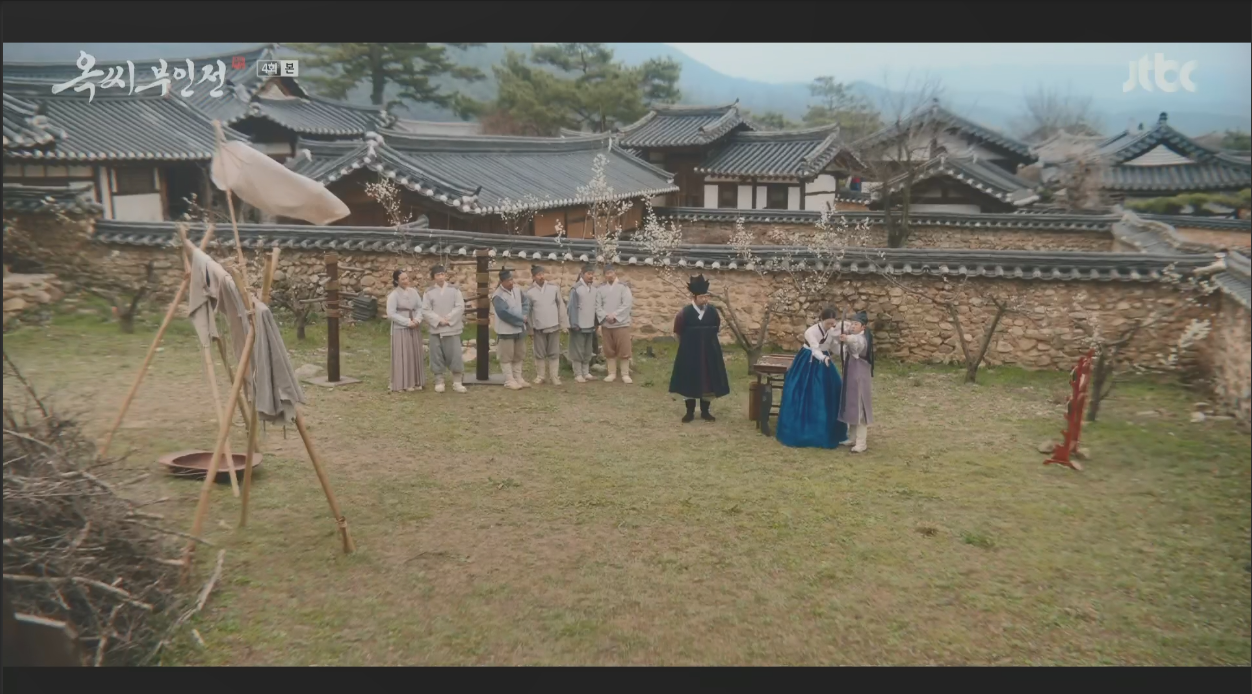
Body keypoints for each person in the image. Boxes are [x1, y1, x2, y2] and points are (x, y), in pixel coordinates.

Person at [775, 308, 849, 449]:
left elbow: (834, 347)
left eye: (833, 323)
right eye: (828, 323)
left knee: (833, 390)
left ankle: (833, 430)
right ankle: (803, 431)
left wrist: (846, 348)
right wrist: (823, 358)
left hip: (825, 361)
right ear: (822, 320)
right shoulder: (811, 332)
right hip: (808, 361)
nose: (831, 326)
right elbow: (815, 349)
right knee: (806, 392)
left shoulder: (832, 331)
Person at [669, 274, 731, 423]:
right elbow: (677, 332)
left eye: (706, 296)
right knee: (689, 380)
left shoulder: (712, 312)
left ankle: (705, 411)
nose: (705, 299)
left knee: (708, 381)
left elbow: (716, 328)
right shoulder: (684, 313)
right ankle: (689, 412)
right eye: (702, 297)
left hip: (710, 352)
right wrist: (686, 347)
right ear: (694, 297)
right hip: (689, 352)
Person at [422, 264, 467, 394]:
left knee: (455, 355)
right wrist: (438, 320)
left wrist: (449, 318)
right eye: (438, 275)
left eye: (442, 274)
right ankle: (439, 380)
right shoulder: (429, 292)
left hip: (452, 328)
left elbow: (460, 306)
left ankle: (457, 381)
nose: (441, 277)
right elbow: (425, 310)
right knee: (436, 355)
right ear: (433, 277)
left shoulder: (454, 290)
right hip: (436, 328)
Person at [525, 264, 569, 386]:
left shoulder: (553, 288)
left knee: (554, 352)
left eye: (542, 274)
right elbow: (528, 312)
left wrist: (563, 324)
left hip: (553, 325)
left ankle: (554, 376)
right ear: (533, 277)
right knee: (539, 353)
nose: (541, 277)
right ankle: (541, 376)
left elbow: (560, 306)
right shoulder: (529, 292)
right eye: (538, 275)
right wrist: (530, 329)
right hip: (538, 327)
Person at [838, 311, 875, 453]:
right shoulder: (854, 334)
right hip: (851, 375)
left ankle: (861, 442)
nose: (853, 326)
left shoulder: (862, 339)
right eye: (852, 323)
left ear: (863, 327)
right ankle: (852, 438)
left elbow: (856, 343)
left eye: (856, 324)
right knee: (852, 405)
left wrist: (847, 338)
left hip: (860, 376)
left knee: (860, 407)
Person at [491, 267, 531, 390]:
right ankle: (509, 380)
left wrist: (524, 314)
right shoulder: (497, 296)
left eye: (512, 279)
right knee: (506, 356)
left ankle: (518, 377)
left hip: (519, 329)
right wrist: (520, 319)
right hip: (506, 330)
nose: (511, 282)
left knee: (519, 354)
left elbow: (525, 302)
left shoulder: (517, 290)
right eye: (508, 280)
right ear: (502, 281)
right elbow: (504, 313)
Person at [386, 270, 426, 392]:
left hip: (415, 325)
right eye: (402, 279)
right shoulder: (393, 295)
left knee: (414, 353)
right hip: (401, 328)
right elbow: (391, 314)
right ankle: (403, 383)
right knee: (403, 354)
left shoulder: (413, 292)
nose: (405, 281)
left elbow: (420, 307)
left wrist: (417, 320)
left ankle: (415, 381)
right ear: (396, 281)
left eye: (406, 278)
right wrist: (407, 322)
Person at [595, 263, 634, 384]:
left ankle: (625, 374)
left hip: (621, 324)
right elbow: (598, 306)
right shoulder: (601, 289)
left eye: (611, 272)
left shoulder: (623, 287)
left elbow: (627, 304)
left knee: (624, 348)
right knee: (609, 349)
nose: (609, 275)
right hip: (607, 324)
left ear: (615, 273)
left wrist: (615, 315)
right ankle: (611, 373)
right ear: (604, 275)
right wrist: (606, 316)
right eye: (607, 273)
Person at [567, 263, 599, 383]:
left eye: (592, 274)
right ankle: (578, 373)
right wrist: (574, 323)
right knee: (578, 350)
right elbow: (571, 307)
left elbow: (596, 307)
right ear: (582, 274)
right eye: (588, 274)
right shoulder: (576, 289)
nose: (591, 276)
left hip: (590, 324)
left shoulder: (594, 289)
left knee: (587, 350)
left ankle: (586, 372)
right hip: (578, 325)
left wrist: (596, 323)